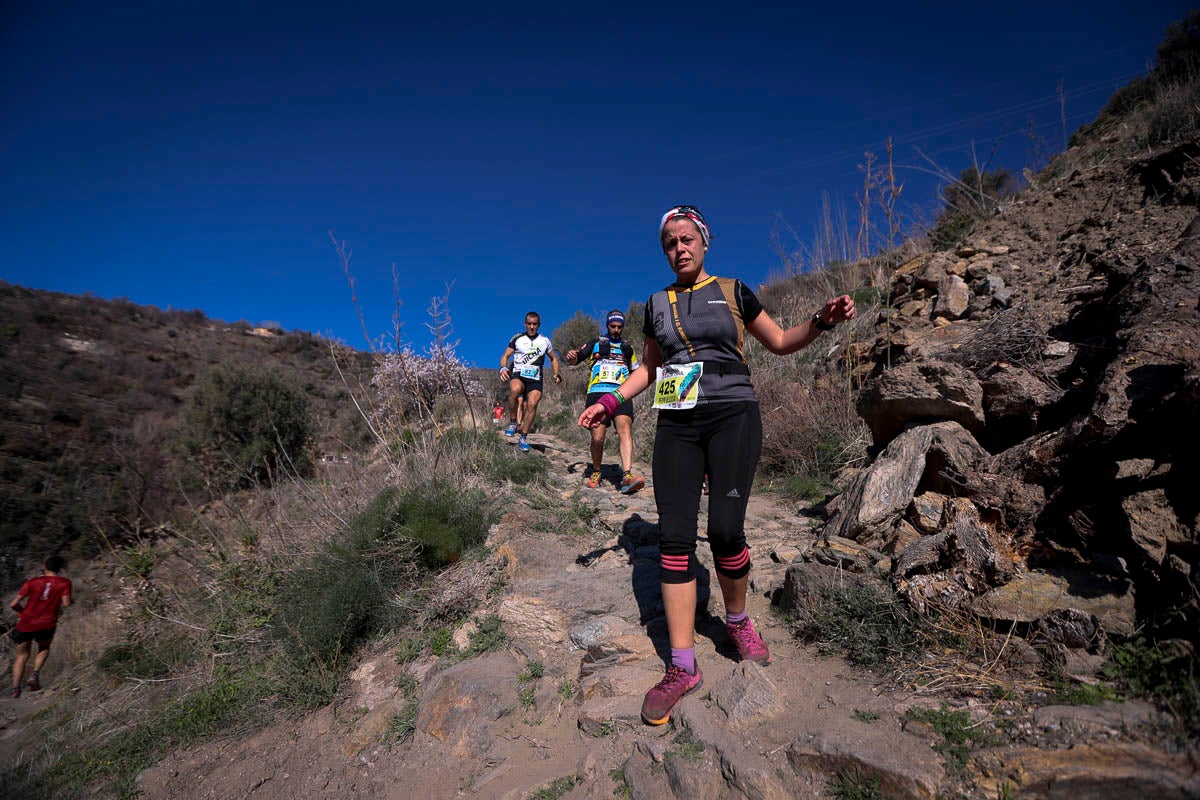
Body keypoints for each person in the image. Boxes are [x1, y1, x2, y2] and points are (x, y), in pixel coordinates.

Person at [578, 205, 855, 725]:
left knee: (726, 531)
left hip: (733, 414)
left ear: (704, 242)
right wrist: (611, 401)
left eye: (686, 239)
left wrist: (820, 320)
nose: (678, 248)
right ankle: (682, 666)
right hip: (677, 420)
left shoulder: (733, 289)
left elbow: (779, 342)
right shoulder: (656, 303)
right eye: (669, 243)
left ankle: (737, 620)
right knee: (676, 540)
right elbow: (648, 369)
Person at [565, 309, 645, 494]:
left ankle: (626, 475)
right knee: (598, 437)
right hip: (597, 393)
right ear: (607, 325)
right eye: (613, 326)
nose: (616, 330)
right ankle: (596, 470)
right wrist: (572, 357)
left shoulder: (628, 348)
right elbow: (577, 358)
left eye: (620, 327)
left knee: (625, 429)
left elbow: (636, 373)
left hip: (620, 394)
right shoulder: (596, 343)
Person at [9, 555, 73, 699]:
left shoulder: (32, 582)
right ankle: (34, 674)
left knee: (22, 655)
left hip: (26, 623)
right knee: (44, 648)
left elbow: (13, 604)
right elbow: (67, 603)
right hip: (47, 623)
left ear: (44, 566)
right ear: (60, 567)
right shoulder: (64, 583)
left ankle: (16, 690)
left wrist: (22, 612)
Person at [498, 311, 562, 453]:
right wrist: (503, 368)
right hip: (519, 373)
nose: (532, 327)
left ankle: (523, 436)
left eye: (534, 324)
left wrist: (556, 373)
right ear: (525, 324)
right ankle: (513, 422)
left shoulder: (545, 341)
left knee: (532, 404)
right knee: (514, 390)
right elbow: (506, 355)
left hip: (535, 378)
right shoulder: (517, 338)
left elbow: (553, 359)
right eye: (529, 324)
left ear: (539, 325)